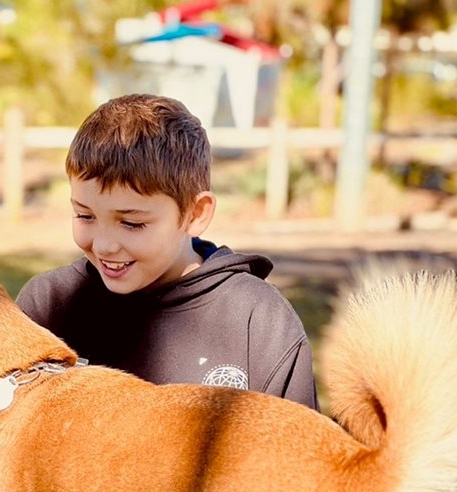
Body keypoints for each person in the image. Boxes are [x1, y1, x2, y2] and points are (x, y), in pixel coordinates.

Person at [16, 94, 319, 409]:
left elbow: (295, 438)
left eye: (132, 223)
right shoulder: (46, 307)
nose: (104, 245)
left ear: (195, 214)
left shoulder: (259, 322)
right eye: (84, 215)